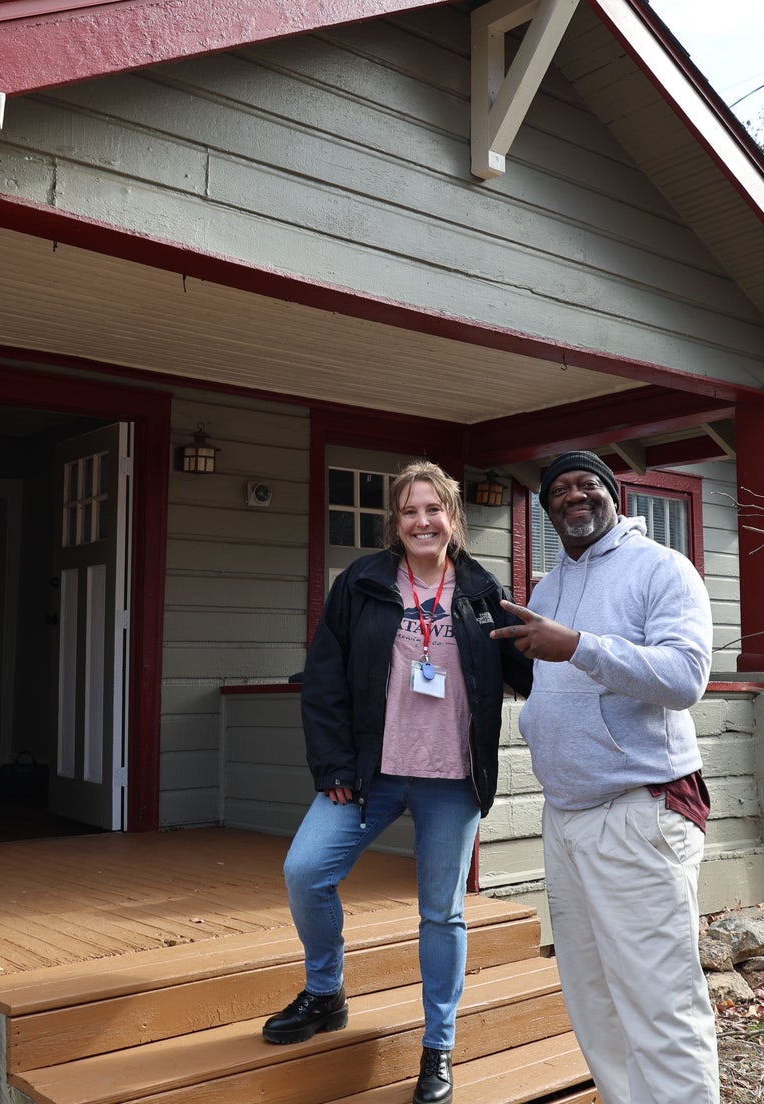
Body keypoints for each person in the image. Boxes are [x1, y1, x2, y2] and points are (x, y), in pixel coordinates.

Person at [264, 460, 532, 1104]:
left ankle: (437, 1049)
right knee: (306, 871)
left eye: (433, 509)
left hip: (452, 780)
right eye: (410, 511)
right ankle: (325, 992)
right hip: (368, 774)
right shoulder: (361, 582)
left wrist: (555, 638)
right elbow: (324, 677)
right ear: (396, 521)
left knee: (442, 912)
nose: (422, 522)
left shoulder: (480, 590)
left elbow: (524, 676)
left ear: (453, 518)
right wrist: (332, 766)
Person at [490, 449, 719, 1104]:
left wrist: (579, 646)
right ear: (546, 510)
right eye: (558, 489)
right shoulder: (549, 588)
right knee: (593, 997)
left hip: (638, 810)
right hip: (566, 816)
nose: (573, 495)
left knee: (659, 999)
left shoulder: (662, 570)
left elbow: (684, 678)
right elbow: (549, 684)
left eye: (587, 483)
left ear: (616, 495)